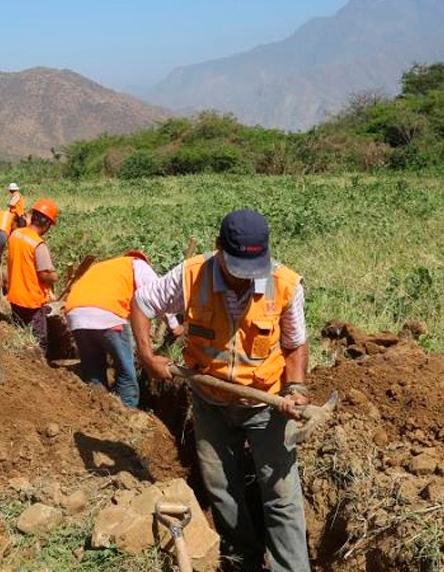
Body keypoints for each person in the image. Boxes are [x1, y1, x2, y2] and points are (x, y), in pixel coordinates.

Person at [131, 209, 310, 572]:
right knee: (223, 490)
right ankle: (242, 561)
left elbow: (295, 344)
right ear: (218, 249)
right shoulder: (190, 275)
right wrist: (148, 357)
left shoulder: (286, 283)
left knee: (280, 495)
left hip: (265, 405)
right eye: (237, 270)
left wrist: (295, 387)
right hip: (209, 402)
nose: (246, 281)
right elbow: (141, 304)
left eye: (252, 271)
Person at [63, 251, 182, 408]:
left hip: (75, 314)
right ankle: (128, 413)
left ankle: (97, 409)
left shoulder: (103, 267)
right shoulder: (138, 264)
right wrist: (175, 326)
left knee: (93, 368)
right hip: (107, 314)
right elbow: (160, 294)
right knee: (125, 371)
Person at [7, 199, 60, 356]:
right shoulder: (38, 245)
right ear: (47, 223)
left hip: (15, 296)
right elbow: (44, 275)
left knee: (20, 332)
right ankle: (39, 369)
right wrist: (55, 277)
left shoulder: (16, 234)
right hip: (32, 301)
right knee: (39, 341)